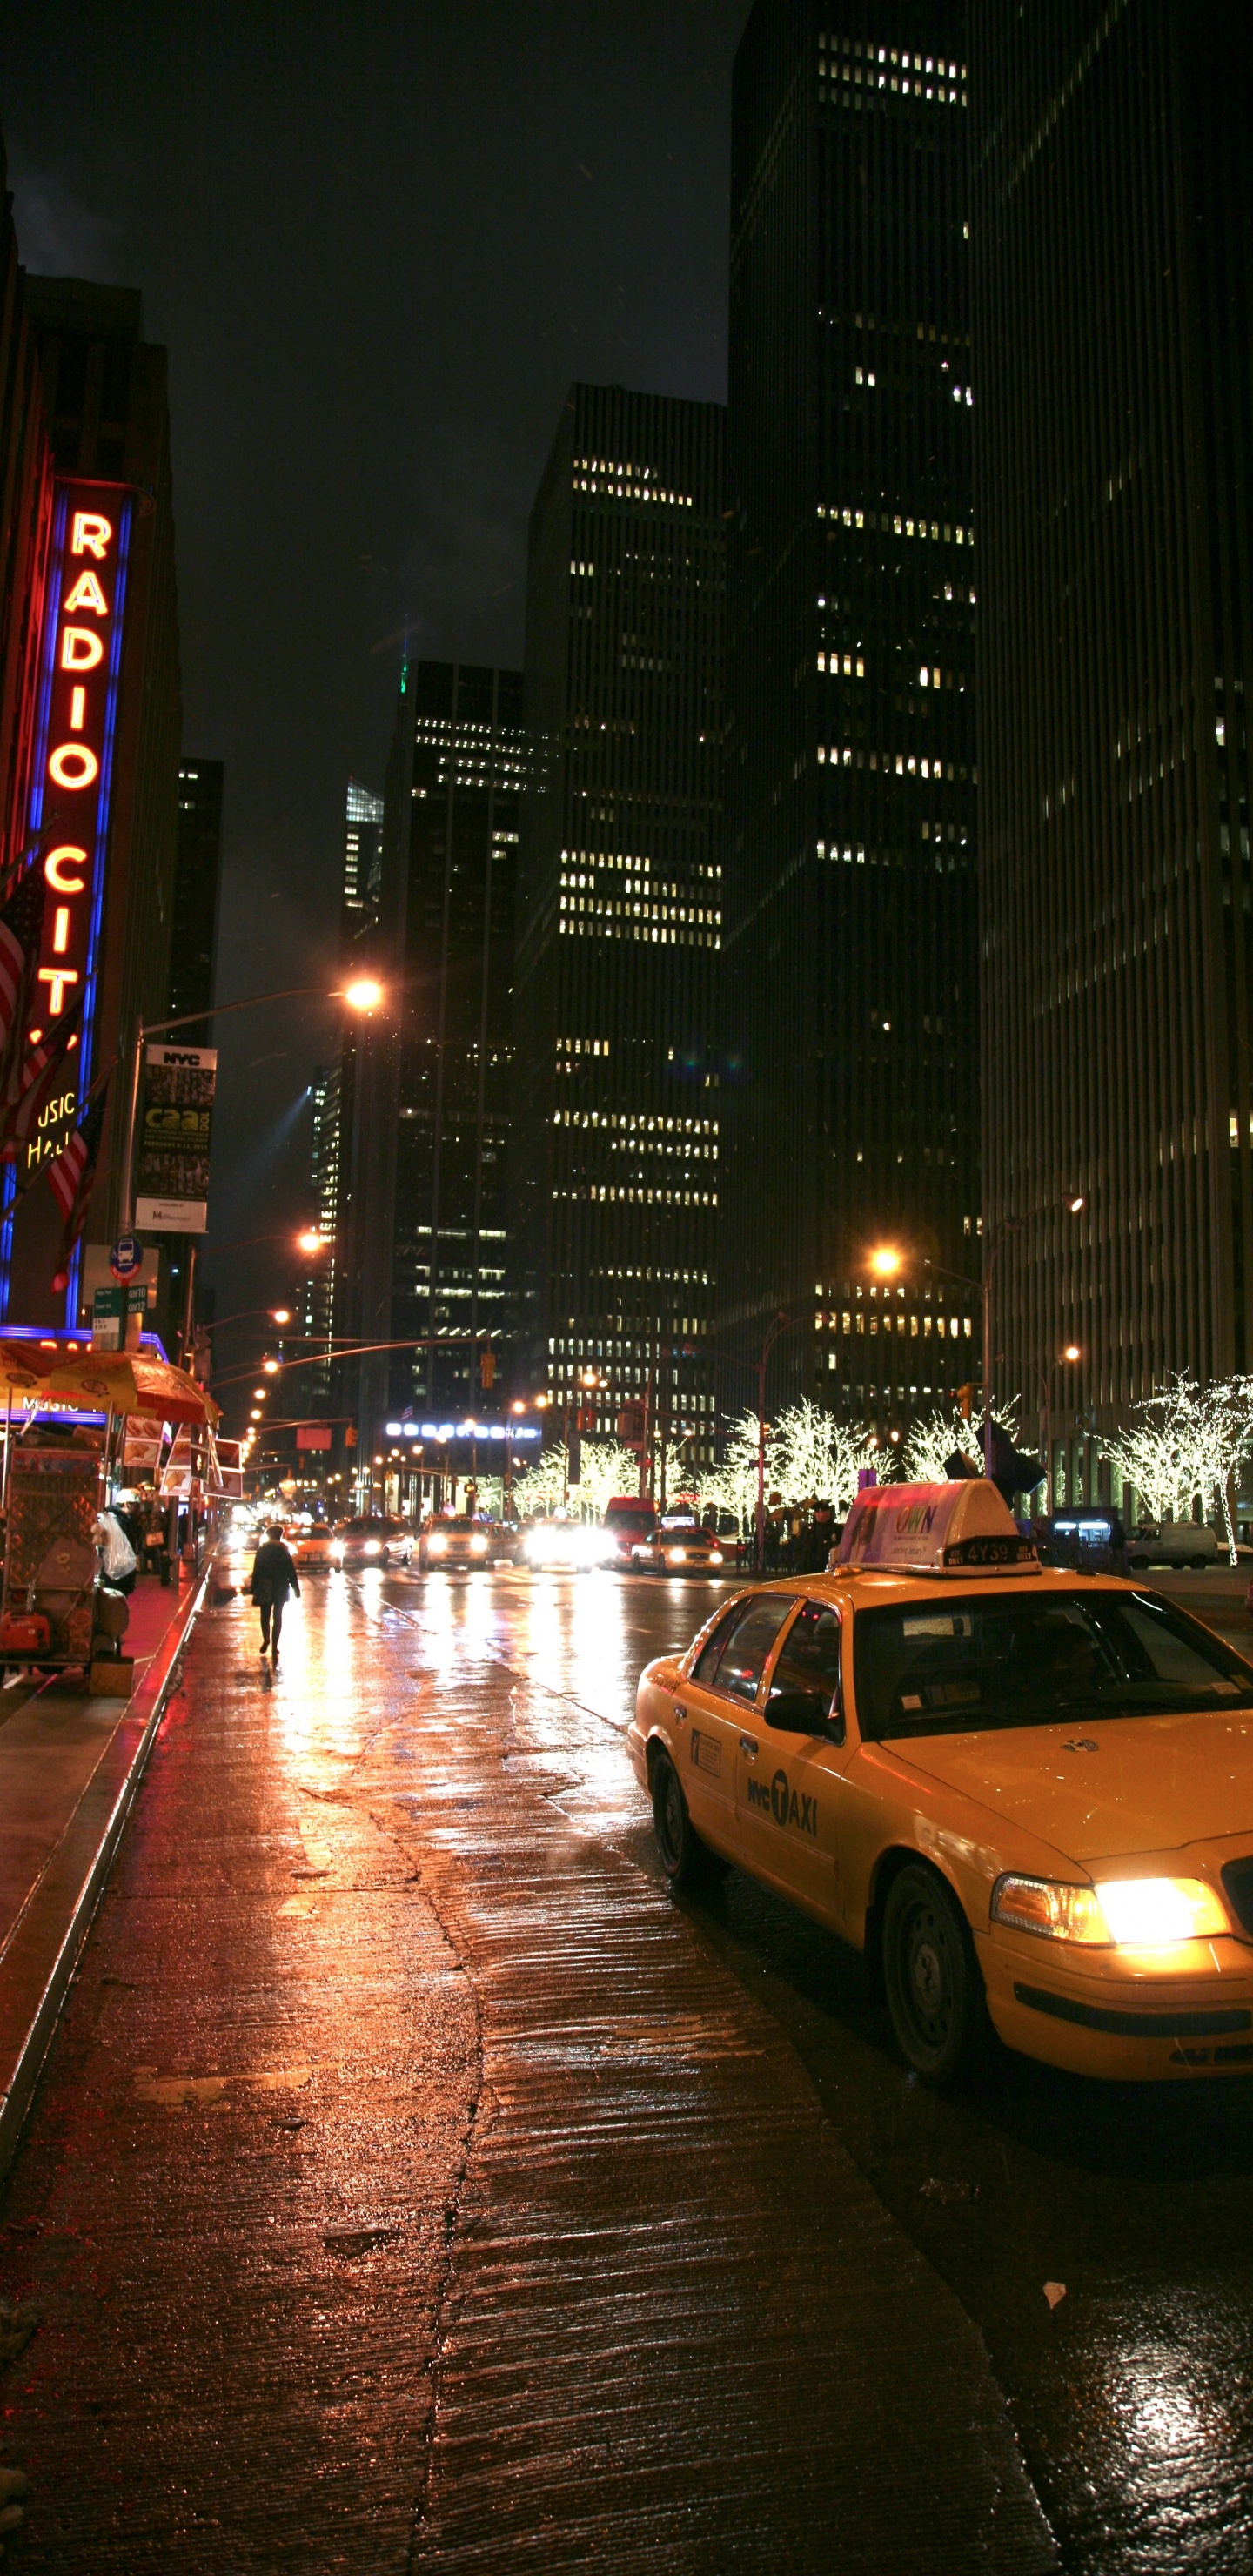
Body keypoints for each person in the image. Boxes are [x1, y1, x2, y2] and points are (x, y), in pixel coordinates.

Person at [249, 1521, 300, 1659]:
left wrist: (253, 1588)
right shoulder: (284, 1550)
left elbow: (257, 1570)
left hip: (265, 1586)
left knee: (265, 1615)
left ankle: (266, 1638)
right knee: (278, 1616)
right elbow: (291, 1571)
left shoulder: (262, 1550)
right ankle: (275, 1646)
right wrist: (296, 1589)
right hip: (281, 1587)